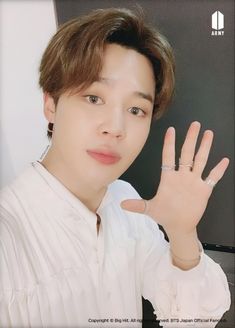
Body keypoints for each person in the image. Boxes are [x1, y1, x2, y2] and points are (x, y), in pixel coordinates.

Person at [0, 7, 231, 328]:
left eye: (136, 108)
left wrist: (182, 234)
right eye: (94, 98)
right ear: (51, 103)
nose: (115, 126)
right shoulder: (9, 237)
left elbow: (190, 319)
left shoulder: (125, 202)